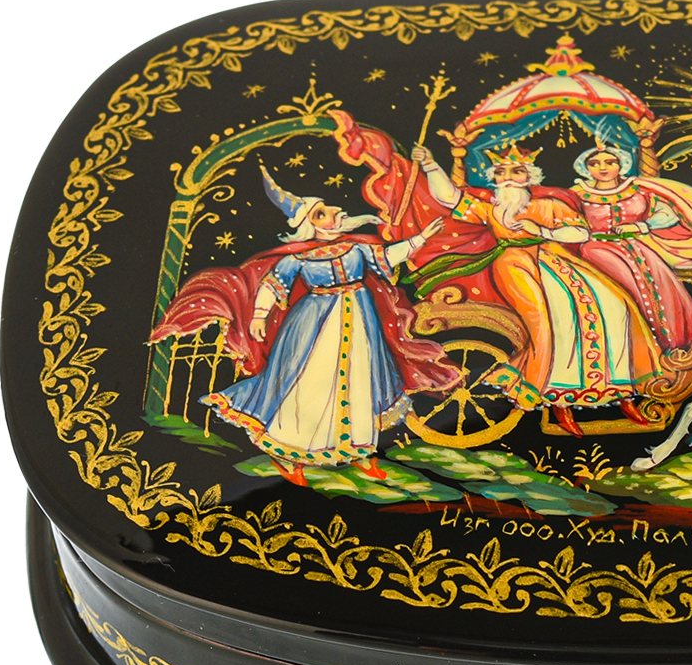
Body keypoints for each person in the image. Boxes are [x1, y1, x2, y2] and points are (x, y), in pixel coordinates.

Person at [152, 165, 459, 483]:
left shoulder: (356, 249)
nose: (334, 213)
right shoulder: (297, 259)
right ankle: (292, 456)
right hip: (314, 325)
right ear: (309, 225)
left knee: (359, 379)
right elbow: (272, 286)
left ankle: (359, 451)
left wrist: (421, 238)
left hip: (360, 320)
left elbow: (390, 256)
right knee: (309, 384)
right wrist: (259, 316)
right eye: (321, 213)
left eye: (329, 210)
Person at [410, 138, 662, 435]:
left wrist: (541, 230)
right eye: (501, 173)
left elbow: (580, 233)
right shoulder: (492, 209)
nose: (508, 179)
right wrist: (430, 164)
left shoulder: (548, 206)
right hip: (515, 265)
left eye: (516, 172)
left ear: (529, 177)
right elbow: (450, 198)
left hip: (555, 258)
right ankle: (558, 399)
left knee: (615, 306)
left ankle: (622, 390)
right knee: (554, 320)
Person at [571, 139, 692, 353]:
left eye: (610, 162)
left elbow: (668, 214)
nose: (602, 168)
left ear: (621, 164)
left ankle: (673, 345)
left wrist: (642, 226)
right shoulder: (577, 194)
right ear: (585, 168)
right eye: (594, 164)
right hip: (595, 251)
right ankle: (636, 347)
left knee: (663, 291)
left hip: (639, 250)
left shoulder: (639, 190)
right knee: (624, 289)